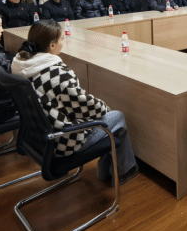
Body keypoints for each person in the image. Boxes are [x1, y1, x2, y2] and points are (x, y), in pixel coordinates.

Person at [11, 20, 139, 185]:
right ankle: (125, 171)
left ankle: (107, 170)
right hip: (63, 140)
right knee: (116, 116)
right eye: (61, 39)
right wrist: (106, 108)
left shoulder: (24, 65)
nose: (63, 42)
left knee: (107, 119)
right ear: (52, 45)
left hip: (38, 137)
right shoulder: (57, 74)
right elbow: (85, 106)